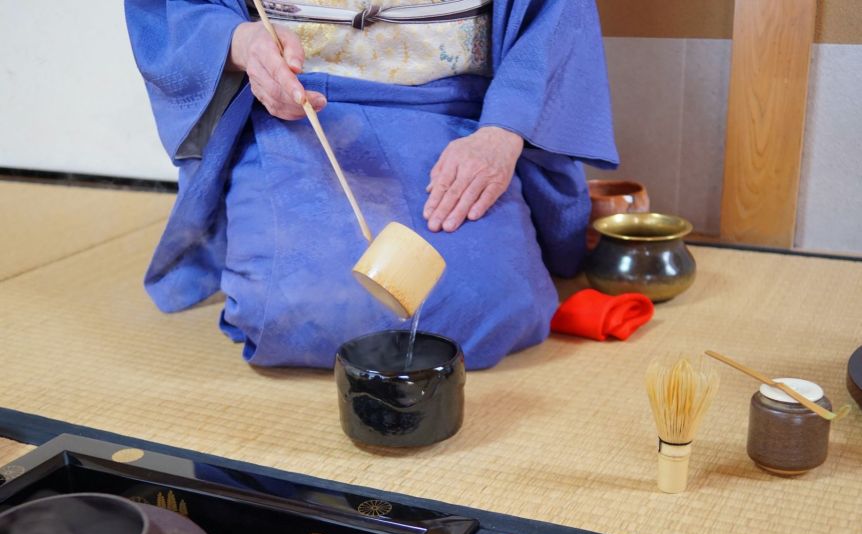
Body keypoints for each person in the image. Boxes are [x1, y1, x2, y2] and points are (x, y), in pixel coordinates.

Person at [125, 0, 618, 369]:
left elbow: (554, 13)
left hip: (454, 108)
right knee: (292, 310)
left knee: (492, 307)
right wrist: (244, 44)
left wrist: (504, 131)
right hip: (305, 104)